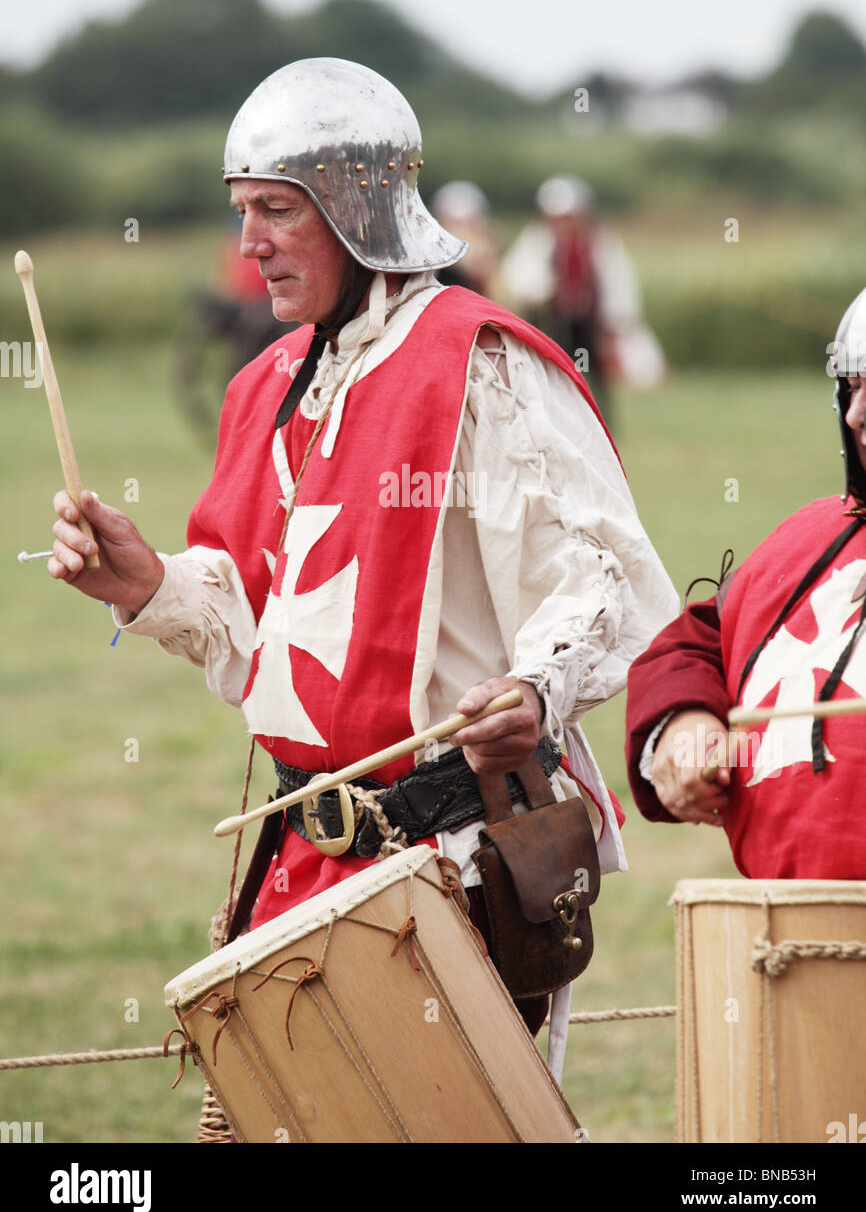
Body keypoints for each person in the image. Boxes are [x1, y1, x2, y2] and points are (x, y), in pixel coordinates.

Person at [48, 58, 678, 1044]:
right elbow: (258, 613)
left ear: (354, 211)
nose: (248, 243)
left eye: (276, 211)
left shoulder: (480, 362)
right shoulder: (265, 386)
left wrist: (534, 689)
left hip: (464, 850)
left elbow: (596, 569)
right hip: (301, 857)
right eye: (240, 210)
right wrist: (148, 584)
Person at [625, 287, 866, 879]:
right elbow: (699, 642)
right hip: (782, 943)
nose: (858, 414)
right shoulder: (810, 539)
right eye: (855, 386)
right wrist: (685, 724)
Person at [501, 175, 666, 426]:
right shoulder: (538, 240)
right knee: (548, 370)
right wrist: (547, 291)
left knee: (592, 372)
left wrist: (616, 321)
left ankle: (600, 422)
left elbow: (617, 280)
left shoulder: (598, 241)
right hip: (550, 320)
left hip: (588, 321)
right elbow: (519, 277)